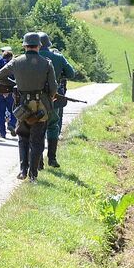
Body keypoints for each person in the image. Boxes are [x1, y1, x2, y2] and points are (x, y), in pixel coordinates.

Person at [0, 33, 57, 182]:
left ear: (24, 45)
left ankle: (23, 170)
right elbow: (53, 88)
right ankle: (33, 175)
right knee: (37, 141)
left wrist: (15, 85)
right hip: (41, 107)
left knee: (22, 138)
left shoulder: (16, 62)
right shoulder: (47, 63)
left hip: (22, 107)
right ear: (39, 46)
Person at [38, 32, 76, 168]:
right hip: (53, 96)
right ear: (48, 44)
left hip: (34, 97)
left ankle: (38, 161)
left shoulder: (30, 57)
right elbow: (72, 73)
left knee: (37, 127)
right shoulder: (58, 58)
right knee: (53, 125)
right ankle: (52, 159)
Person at [0, 49, 16, 138]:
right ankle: (12, 124)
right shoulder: (12, 65)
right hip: (10, 91)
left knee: (0, 113)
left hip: (0, 90)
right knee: (13, 111)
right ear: (11, 57)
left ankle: (2, 133)